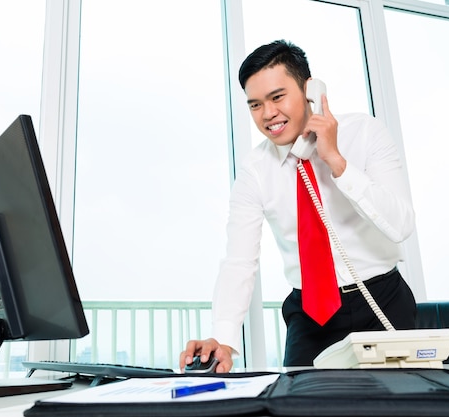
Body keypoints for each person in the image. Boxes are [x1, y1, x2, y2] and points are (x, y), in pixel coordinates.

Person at [179, 39, 417, 373]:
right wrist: (224, 339)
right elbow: (239, 261)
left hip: (383, 301)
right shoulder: (255, 169)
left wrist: (336, 161)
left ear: (309, 90)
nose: (268, 114)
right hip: (311, 314)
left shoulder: (365, 133)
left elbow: (400, 224)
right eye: (255, 105)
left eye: (277, 97)